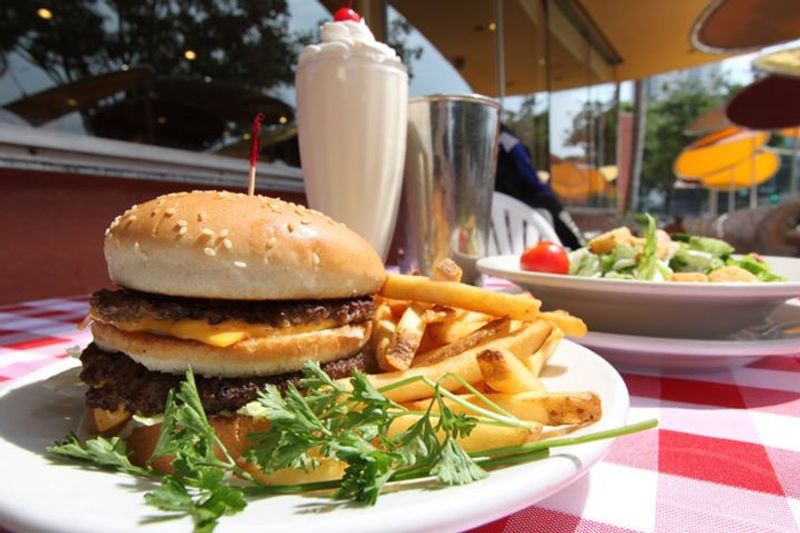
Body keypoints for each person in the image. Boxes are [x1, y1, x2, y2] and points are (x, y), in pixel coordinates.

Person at [495, 125, 585, 250]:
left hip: (503, 202)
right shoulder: (506, 140)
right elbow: (528, 174)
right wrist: (546, 189)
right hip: (523, 198)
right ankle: (581, 248)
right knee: (551, 203)